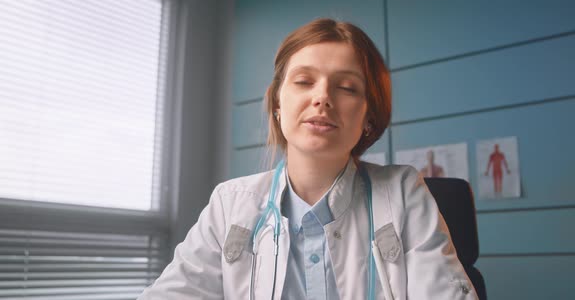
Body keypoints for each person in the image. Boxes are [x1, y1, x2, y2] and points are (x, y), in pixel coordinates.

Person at [138, 19, 477, 299]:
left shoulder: (402, 192)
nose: (322, 97)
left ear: (368, 117)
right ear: (277, 105)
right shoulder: (231, 203)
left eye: (346, 87)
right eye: (303, 81)